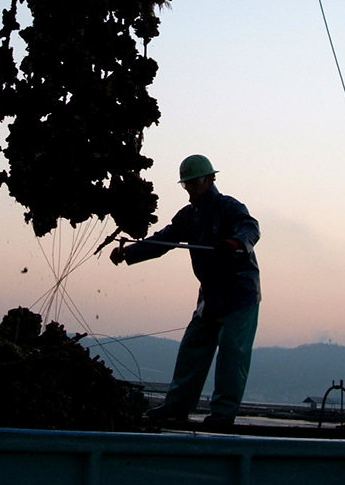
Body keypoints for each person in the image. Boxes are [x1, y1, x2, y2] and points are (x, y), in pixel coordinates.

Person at [110, 154, 260, 425]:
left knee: (232, 352)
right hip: (210, 295)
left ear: (210, 179)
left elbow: (250, 228)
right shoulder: (188, 217)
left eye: (194, 183)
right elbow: (162, 241)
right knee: (192, 348)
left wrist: (237, 243)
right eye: (186, 185)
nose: (190, 189)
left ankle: (223, 414)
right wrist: (128, 254)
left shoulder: (229, 207)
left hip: (240, 294)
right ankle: (177, 406)